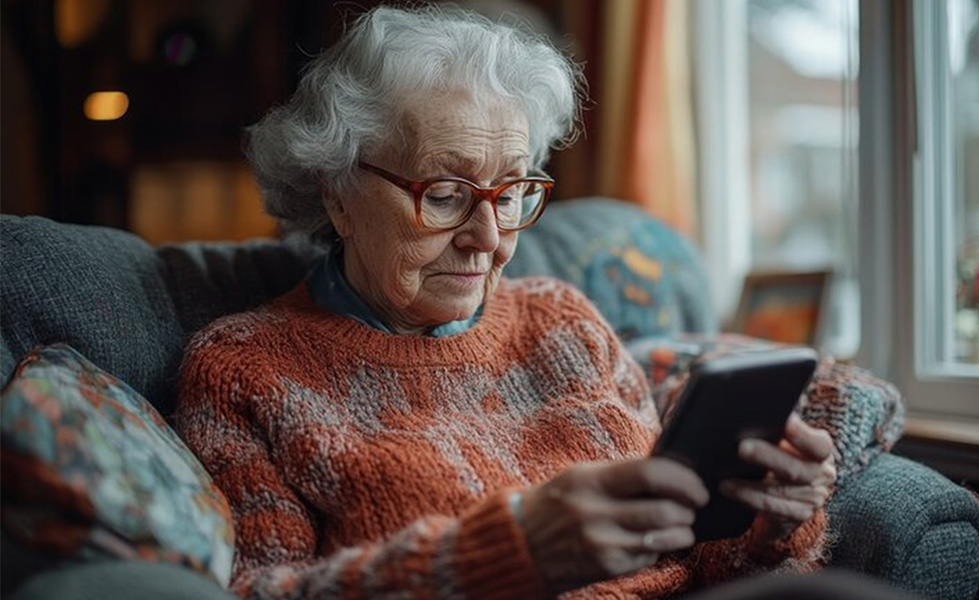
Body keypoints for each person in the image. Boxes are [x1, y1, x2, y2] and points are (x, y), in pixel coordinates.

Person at [177, 6, 836, 599]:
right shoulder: (247, 371)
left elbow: (704, 562)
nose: (489, 239)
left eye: (513, 191)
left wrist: (769, 525)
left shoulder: (564, 322)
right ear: (338, 193)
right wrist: (506, 557)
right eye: (444, 194)